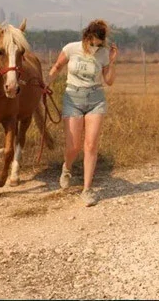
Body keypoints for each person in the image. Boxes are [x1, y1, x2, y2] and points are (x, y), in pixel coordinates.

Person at [44, 19, 118, 206]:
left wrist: (112, 61)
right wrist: (46, 84)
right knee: (74, 146)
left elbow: (108, 81)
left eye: (98, 44)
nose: (94, 47)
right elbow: (57, 67)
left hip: (95, 99)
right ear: (87, 37)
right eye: (92, 43)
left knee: (91, 145)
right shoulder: (71, 48)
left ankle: (87, 189)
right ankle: (67, 168)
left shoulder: (103, 54)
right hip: (73, 99)